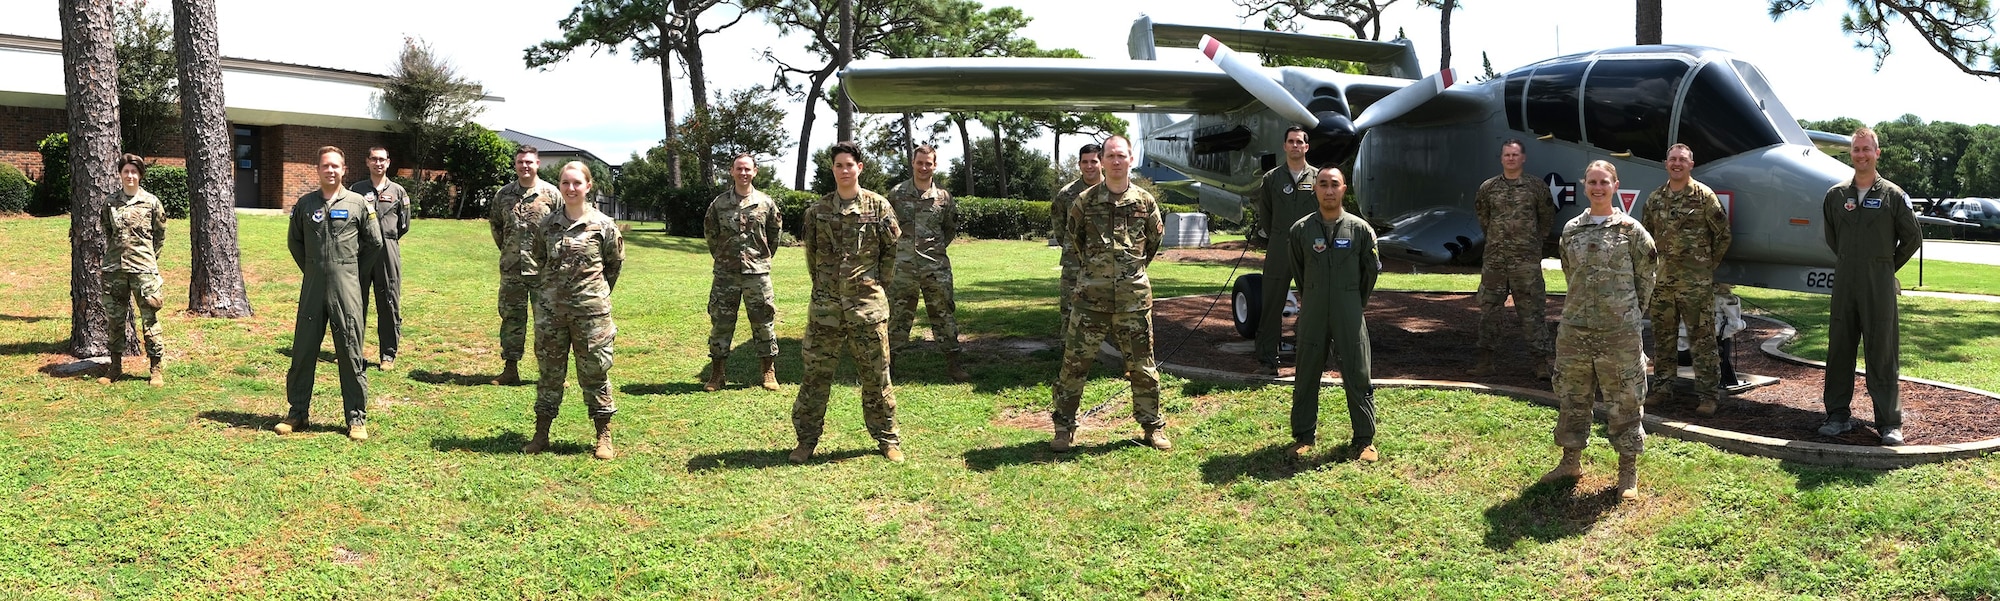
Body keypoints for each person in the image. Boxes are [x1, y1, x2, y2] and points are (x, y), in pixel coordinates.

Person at [1542, 160, 1655, 500]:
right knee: (1572, 395)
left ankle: (1627, 472)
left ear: (1615, 185)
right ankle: (1570, 461)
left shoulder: (1631, 231)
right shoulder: (1572, 230)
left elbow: (1647, 277)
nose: (1598, 187)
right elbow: (1569, 272)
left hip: (1618, 332)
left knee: (1625, 399)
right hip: (1576, 328)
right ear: (1584, 185)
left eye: (1604, 181)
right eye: (1592, 181)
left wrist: (1628, 312)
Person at [1051, 135, 1170, 452]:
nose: (1116, 161)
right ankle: (1064, 428)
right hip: (1091, 299)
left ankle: (1152, 427)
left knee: (1143, 367)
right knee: (1074, 366)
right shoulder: (1085, 202)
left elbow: (1154, 243)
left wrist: (1130, 271)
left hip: (1133, 300)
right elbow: (1074, 241)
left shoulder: (1145, 202)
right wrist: (1099, 272)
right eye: (1111, 156)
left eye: (1122, 156)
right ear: (1102, 161)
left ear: (1131, 159)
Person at [792, 141, 905, 464]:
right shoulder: (817, 212)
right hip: (826, 310)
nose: (844, 170)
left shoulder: (879, 207)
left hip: (867, 308)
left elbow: (890, 253)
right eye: (838, 165)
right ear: (833, 169)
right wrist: (827, 290)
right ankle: (806, 440)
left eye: (849, 165)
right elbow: (812, 258)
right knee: (815, 377)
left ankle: (887, 439)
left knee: (877, 377)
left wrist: (874, 287)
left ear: (860, 168)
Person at [1817, 126, 1922, 446]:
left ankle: (1889, 422)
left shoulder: (1893, 195)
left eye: (1867, 149)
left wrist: (1884, 266)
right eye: (1856, 149)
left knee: (1882, 352)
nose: (1861, 154)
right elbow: (1833, 237)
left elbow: (1912, 238)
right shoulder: (1835, 195)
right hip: (1846, 281)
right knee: (1839, 349)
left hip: (1878, 285)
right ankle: (1837, 416)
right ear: (1851, 154)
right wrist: (1852, 262)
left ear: (1877, 153)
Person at [277, 146, 384, 441]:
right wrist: (313, 269)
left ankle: (356, 418)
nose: (331, 170)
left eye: (336, 166)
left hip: (346, 288)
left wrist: (350, 272)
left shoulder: (358, 203)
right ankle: (297, 412)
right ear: (318, 169)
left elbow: (374, 244)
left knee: (350, 351)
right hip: (313, 287)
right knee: (303, 351)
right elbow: (294, 243)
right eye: (325, 165)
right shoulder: (305, 204)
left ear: (344, 169)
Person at [521, 161, 625, 460]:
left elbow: (614, 265)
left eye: (577, 183)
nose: (570, 188)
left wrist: (594, 294)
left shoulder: (603, 225)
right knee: (549, 374)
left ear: (588, 186)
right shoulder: (548, 224)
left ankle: (603, 435)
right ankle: (541, 434)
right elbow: (539, 260)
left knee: (595, 372)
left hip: (591, 314)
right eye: (565, 183)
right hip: (552, 314)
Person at [1284, 167, 1381, 462]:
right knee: (1306, 371)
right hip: (1313, 309)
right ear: (1315, 189)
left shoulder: (1361, 229)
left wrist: (1352, 300)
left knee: (1358, 372)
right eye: (1323, 184)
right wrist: (1315, 294)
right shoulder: (1300, 230)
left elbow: (1369, 273)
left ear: (1344, 189)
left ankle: (1364, 439)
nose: (1328, 190)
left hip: (1349, 308)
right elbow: (1298, 271)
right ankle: (1304, 436)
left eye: (1334, 185)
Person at [1639, 143, 1732, 414]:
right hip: (1663, 283)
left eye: (1682, 160)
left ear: (1691, 164)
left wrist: (1705, 267)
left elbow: (1723, 234)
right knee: (1663, 338)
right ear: (1666, 164)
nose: (1677, 164)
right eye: (1672, 159)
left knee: (1701, 340)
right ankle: (1663, 389)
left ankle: (1708, 395)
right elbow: (1646, 238)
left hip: (1695, 285)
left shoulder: (1703, 197)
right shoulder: (1655, 199)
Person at [1471, 139, 1556, 379]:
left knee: (1532, 312)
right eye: (1507, 154)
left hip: (1526, 262)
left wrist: (1532, 243)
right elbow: (1483, 216)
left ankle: (1541, 364)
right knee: (1489, 309)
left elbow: (1546, 218)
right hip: (1495, 261)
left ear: (1523, 158)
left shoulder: (1536, 187)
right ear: (1501, 158)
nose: (1511, 158)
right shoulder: (1488, 188)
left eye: (1515, 154)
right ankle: (1485, 361)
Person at [885, 144, 968, 382]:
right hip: (903, 268)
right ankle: (890, 365)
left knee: (944, 314)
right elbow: (888, 229)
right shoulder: (897, 194)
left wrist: (934, 251)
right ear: (912, 163)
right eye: (919, 162)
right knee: (898, 316)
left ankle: (954, 363)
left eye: (928, 163)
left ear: (935, 165)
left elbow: (949, 229)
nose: (923, 167)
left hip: (935, 268)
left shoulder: (943, 198)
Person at [702, 154, 783, 392]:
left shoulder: (766, 203)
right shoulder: (719, 203)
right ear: (732, 171)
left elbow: (774, 233)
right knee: (721, 323)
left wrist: (761, 258)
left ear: (755, 172)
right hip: (726, 274)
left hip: (757, 274)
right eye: (739, 169)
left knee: (764, 321)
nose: (743, 173)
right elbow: (711, 233)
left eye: (747, 169)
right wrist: (724, 257)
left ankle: (768, 371)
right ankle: (717, 374)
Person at [488, 146, 560, 385]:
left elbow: (562, 228)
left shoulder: (551, 194)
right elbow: (497, 227)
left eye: (529, 162)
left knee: (548, 323)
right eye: (520, 162)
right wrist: (510, 251)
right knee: (511, 319)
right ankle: (510, 369)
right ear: (516, 164)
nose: (524, 166)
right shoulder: (503, 195)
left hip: (544, 272)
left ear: (537, 163)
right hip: (512, 270)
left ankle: (551, 373)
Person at [1252, 126, 1320, 375]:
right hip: (1280, 247)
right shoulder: (1272, 179)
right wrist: (1279, 237)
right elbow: (1266, 217)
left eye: (1299, 142)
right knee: (1271, 305)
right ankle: (1268, 360)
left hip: (1311, 249)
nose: (1295, 145)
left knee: (1315, 304)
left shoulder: (1317, 178)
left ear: (1306, 147)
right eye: (1290, 141)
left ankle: (1313, 360)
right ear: (1284, 146)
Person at [99, 153, 169, 387]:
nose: (130, 175)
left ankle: (155, 368)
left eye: (134, 171)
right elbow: (108, 231)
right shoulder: (110, 202)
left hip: (144, 270)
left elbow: (159, 235)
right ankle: (115, 366)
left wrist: (148, 258)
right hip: (115, 269)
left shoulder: (152, 202)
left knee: (150, 318)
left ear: (140, 175)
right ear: (120, 174)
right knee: (115, 320)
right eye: (126, 171)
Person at [351, 146, 411, 370]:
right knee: (356, 301)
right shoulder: (356, 190)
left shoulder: (398, 191)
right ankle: (353, 350)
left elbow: (404, 224)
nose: (378, 163)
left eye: (382, 160)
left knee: (388, 301)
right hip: (363, 250)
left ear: (388, 163)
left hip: (388, 249)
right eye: (374, 159)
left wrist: (387, 239)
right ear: (367, 162)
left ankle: (388, 354)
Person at [1051, 143, 1103, 341]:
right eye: (1085, 162)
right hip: (1074, 263)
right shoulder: (1066, 194)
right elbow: (1059, 227)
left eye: (1094, 161)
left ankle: (1106, 349)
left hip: (1106, 263)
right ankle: (1067, 348)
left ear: (1102, 163)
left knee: (1106, 306)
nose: (1089, 166)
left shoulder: (1114, 191)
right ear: (1079, 164)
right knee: (1070, 306)